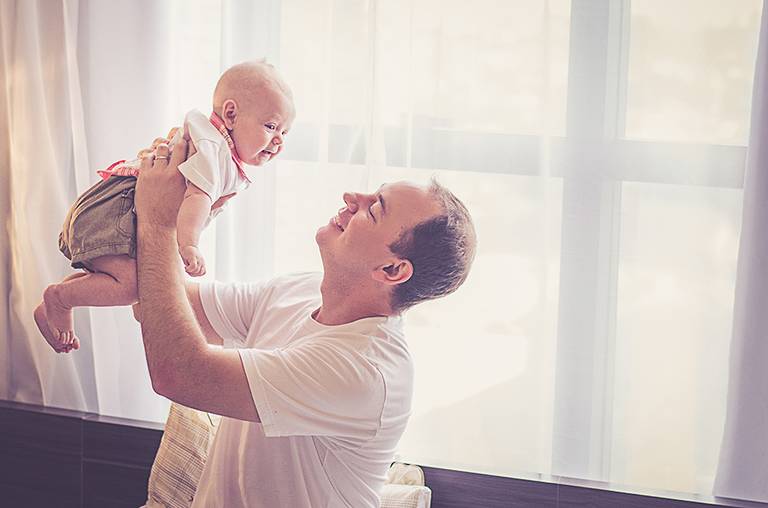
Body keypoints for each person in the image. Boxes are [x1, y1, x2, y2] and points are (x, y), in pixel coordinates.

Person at [131, 134, 476, 507]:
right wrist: (183, 209)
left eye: (373, 209)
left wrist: (159, 225)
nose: (351, 198)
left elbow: (179, 373)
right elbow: (155, 300)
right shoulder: (303, 289)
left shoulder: (364, 371)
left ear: (392, 269)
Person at [34, 61, 294, 353]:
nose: (278, 141)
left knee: (125, 280)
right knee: (133, 286)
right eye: (271, 126)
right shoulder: (213, 149)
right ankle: (60, 298)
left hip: (115, 209)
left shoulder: (218, 149)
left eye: (285, 133)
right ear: (231, 114)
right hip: (113, 211)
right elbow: (198, 199)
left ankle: (57, 302)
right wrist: (189, 245)